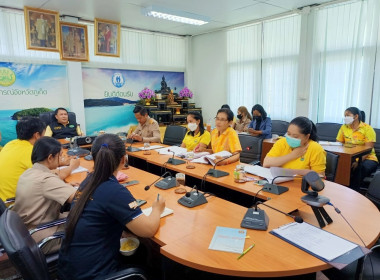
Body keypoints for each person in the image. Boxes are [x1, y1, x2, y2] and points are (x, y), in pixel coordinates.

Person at [58, 134, 166, 280]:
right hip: (92, 274)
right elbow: (148, 230)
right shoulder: (114, 190)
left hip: (70, 269)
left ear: (92, 156)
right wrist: (157, 209)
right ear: (123, 159)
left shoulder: (88, 181)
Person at [12, 137, 78, 254]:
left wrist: (62, 185)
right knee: (88, 223)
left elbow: (49, 184)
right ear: (50, 158)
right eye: (60, 155)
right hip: (43, 238)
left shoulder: (29, 172)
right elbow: (78, 198)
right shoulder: (46, 180)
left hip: (26, 232)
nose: (62, 158)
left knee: (74, 214)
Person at [0, 117, 45, 201]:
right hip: (16, 203)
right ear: (37, 135)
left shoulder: (10, 144)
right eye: (44, 134)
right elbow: (49, 176)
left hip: (3, 201)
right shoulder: (31, 150)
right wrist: (71, 166)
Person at [336, 107, 378, 190]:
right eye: (344, 115)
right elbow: (338, 144)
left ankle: (354, 193)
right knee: (338, 166)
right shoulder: (344, 127)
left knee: (358, 168)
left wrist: (358, 161)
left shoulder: (368, 129)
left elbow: (368, 150)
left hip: (367, 158)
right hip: (349, 157)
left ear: (356, 116)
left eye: (348, 115)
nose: (345, 117)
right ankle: (340, 190)